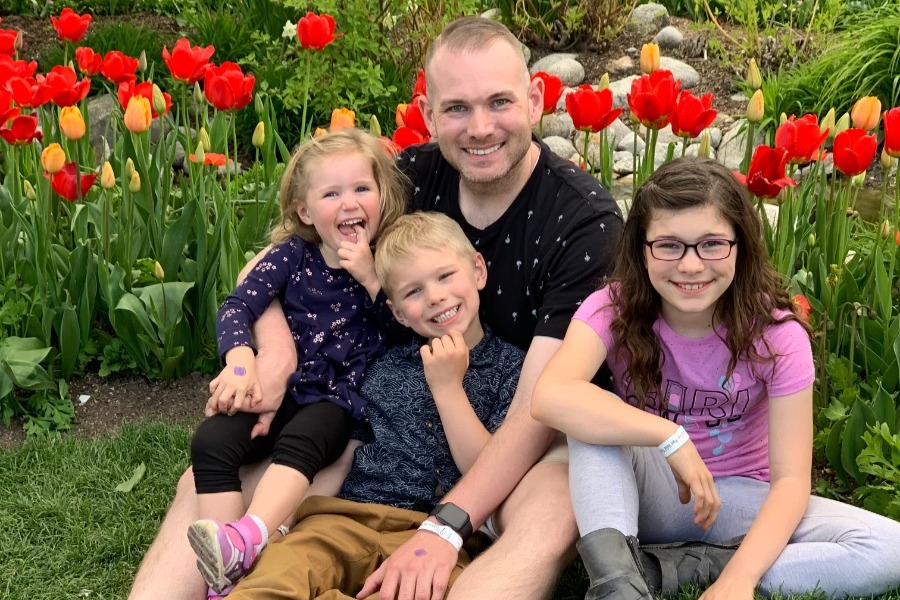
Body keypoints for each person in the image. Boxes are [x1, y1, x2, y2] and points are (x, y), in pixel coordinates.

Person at [129, 16, 623, 600]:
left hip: (520, 427)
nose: (480, 128)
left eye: (499, 102)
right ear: (428, 112)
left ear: (535, 100)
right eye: (457, 108)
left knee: (552, 508)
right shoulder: (407, 180)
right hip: (387, 410)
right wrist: (276, 357)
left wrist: (444, 526)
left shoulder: (582, 222)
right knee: (211, 477)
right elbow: (267, 268)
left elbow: (537, 411)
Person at [531, 157, 900, 600]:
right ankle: (619, 588)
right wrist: (671, 438)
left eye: (712, 244)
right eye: (669, 245)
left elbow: (790, 482)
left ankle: (697, 565)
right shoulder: (615, 307)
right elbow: (550, 396)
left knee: (888, 548)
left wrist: (740, 579)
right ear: (641, 249)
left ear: (740, 246)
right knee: (589, 422)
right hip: (648, 493)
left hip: (739, 501)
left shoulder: (777, 335)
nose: (691, 266)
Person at [225, 210, 524, 599]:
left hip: (434, 538)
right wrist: (288, 521)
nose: (435, 297)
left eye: (445, 276)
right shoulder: (383, 366)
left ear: (478, 271)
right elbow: (348, 453)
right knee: (277, 576)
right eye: (413, 292)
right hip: (345, 519)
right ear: (397, 312)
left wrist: (448, 388)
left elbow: (488, 470)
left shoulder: (510, 368)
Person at [183, 127, 407, 596]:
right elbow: (237, 307)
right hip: (285, 385)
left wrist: (372, 279)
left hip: (340, 400)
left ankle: (250, 536)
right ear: (305, 211)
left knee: (304, 437)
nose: (349, 203)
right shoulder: (293, 256)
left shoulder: (389, 260)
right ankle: (224, 569)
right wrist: (241, 361)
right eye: (331, 194)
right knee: (212, 441)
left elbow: (405, 333)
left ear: (382, 196)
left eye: (361, 188)